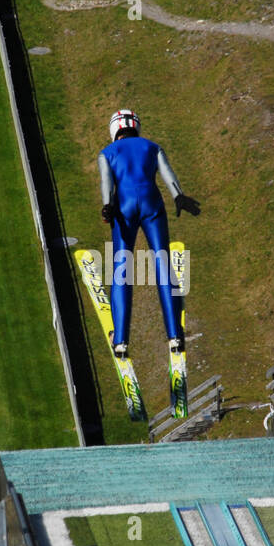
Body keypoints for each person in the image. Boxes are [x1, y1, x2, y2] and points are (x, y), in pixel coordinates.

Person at [97, 109, 200, 360]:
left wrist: (107, 205)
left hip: (124, 207)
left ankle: (120, 340)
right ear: (136, 128)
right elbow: (167, 173)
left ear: (114, 131)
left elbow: (106, 182)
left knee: (123, 267)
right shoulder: (152, 146)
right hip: (153, 204)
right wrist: (179, 196)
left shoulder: (107, 153)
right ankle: (175, 335)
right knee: (162, 262)